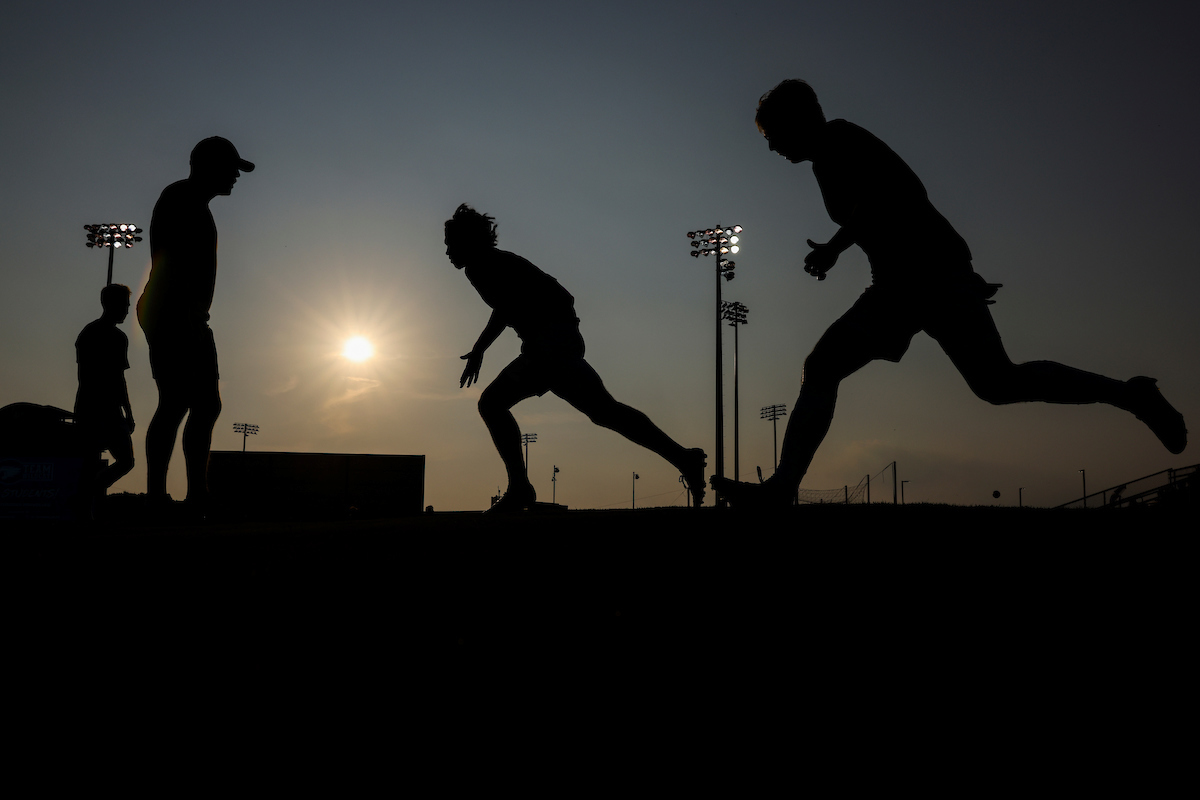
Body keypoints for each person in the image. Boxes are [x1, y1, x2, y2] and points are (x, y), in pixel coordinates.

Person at [713, 79, 1187, 507]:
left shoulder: (842, 139)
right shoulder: (826, 160)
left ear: (797, 122)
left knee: (984, 382)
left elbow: (896, 193)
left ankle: (1132, 396)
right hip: (906, 283)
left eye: (771, 135)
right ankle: (783, 487)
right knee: (846, 368)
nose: (771, 147)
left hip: (925, 279)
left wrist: (838, 248)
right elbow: (895, 210)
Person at [446, 204, 707, 510]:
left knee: (492, 404)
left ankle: (519, 488)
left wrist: (480, 349)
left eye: (452, 243)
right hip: (557, 341)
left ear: (469, 242)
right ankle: (683, 457)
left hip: (550, 344)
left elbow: (507, 305)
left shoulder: (483, 265)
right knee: (604, 411)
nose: (448, 251)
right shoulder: (494, 263)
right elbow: (537, 297)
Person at [137, 136, 254, 511]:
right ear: (207, 166)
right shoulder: (181, 198)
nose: (236, 176)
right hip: (172, 311)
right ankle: (157, 495)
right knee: (175, 402)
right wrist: (182, 316)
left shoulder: (196, 204)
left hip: (187, 315)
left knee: (206, 404)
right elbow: (173, 263)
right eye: (231, 168)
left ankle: (196, 493)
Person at [75, 283, 136, 500]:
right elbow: (117, 378)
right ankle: (87, 497)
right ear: (111, 304)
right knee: (123, 461)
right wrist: (127, 412)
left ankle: (86, 498)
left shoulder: (89, 333)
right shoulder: (113, 337)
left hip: (91, 406)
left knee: (93, 461)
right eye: (125, 305)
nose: (127, 310)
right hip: (101, 409)